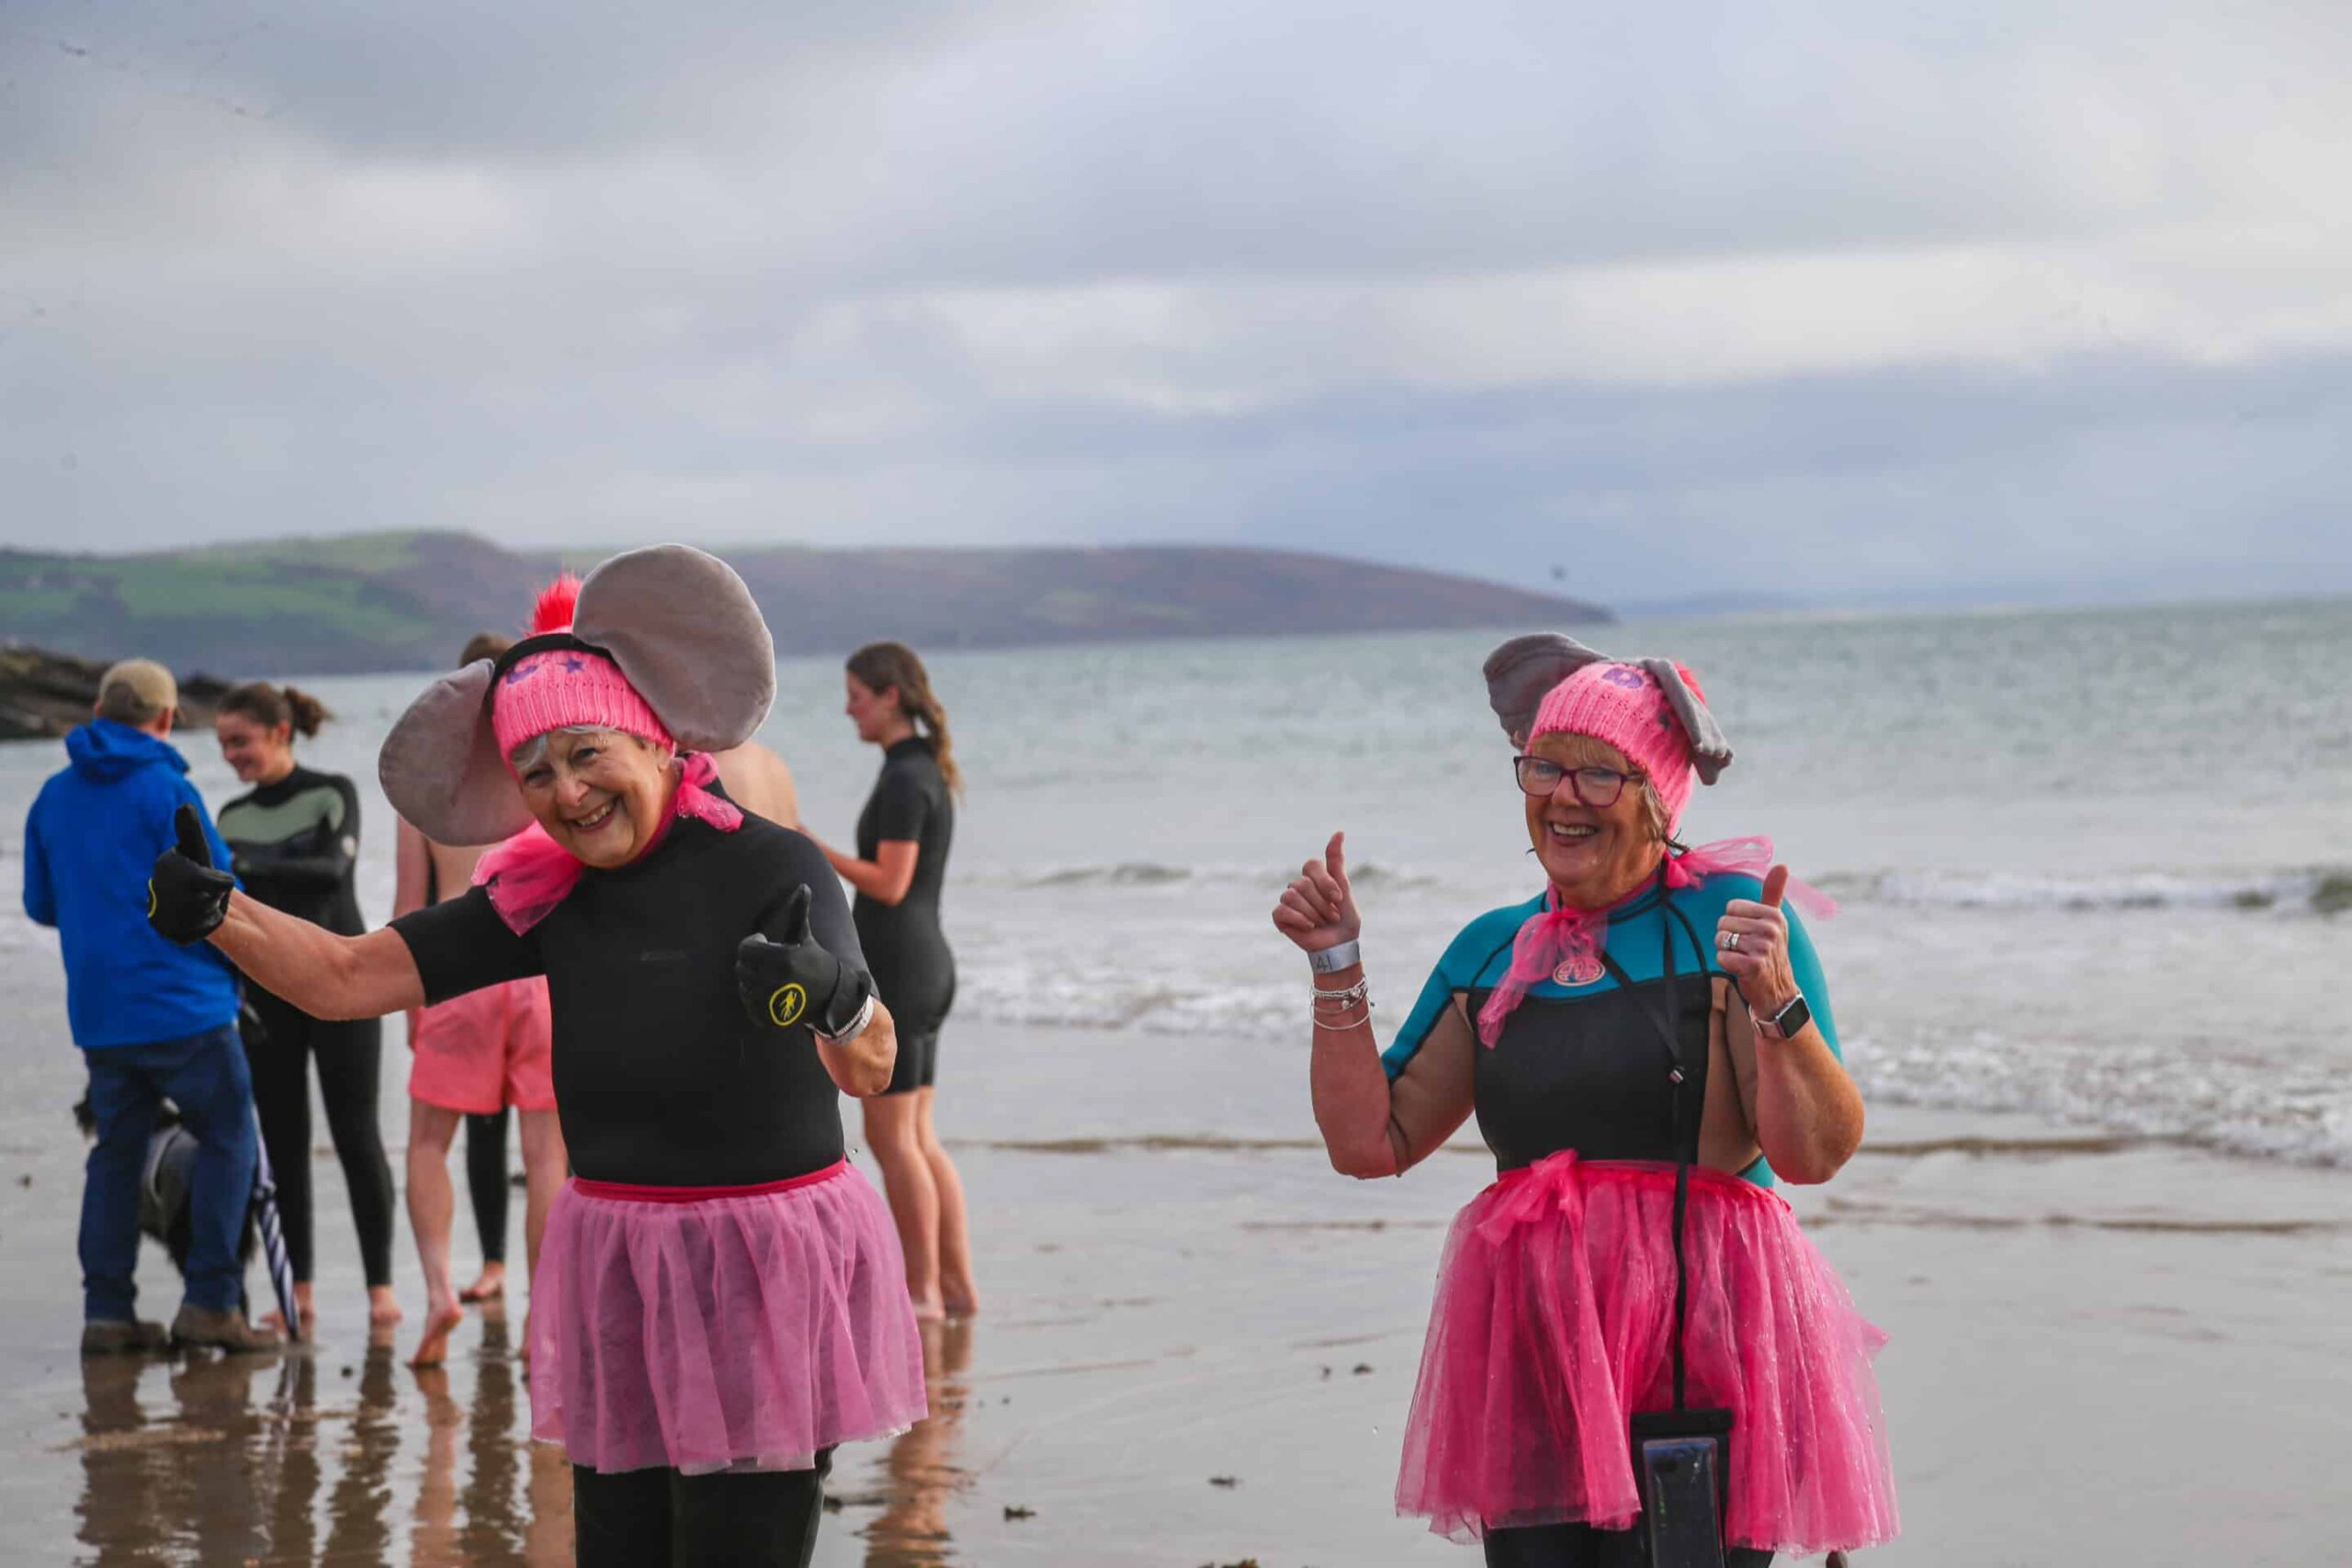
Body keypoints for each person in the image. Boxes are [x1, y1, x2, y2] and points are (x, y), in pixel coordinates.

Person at [144, 547, 925, 1567]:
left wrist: (832, 995)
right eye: (537, 773)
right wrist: (220, 915)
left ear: (651, 737)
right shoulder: (546, 894)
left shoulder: (768, 866)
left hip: (759, 1266)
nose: (568, 792)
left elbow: (870, 1066)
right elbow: (346, 978)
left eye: (587, 752)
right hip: (618, 1262)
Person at [1272, 637, 1897, 1566]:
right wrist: (1334, 966)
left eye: (1600, 775)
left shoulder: (1731, 920)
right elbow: (1371, 1140)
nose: (1564, 795)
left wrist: (1777, 1004)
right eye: (1545, 766)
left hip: (1705, 1338)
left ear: (1658, 797)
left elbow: (1813, 1154)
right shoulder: (1491, 948)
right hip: (1536, 1348)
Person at [24, 658, 280, 1354]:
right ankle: (211, 1301)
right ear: (166, 718)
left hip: (101, 1013)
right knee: (231, 1137)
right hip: (186, 1007)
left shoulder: (51, 796)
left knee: (115, 1154)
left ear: (101, 709)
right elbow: (220, 899)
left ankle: (106, 1313)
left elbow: (39, 905)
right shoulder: (168, 791)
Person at [390, 632, 570, 1367]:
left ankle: (438, 1290)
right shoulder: (546, 766)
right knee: (547, 1156)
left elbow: (410, 904)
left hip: (456, 968)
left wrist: (409, 1009)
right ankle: (539, 1322)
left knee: (428, 1142)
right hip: (541, 973)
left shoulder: (434, 787)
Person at [214, 682, 401, 1331]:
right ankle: (302, 1289)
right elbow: (223, 906)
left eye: (242, 740)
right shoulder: (229, 817)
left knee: (356, 1136)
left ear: (280, 731)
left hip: (347, 979)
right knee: (285, 1141)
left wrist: (246, 868)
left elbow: (330, 873)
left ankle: (381, 1288)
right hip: (266, 993)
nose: (232, 755)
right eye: (223, 745)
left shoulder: (333, 791)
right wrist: (243, 868)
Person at [803, 642, 974, 1320]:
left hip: (903, 964)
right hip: (925, 959)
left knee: (893, 1139)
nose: (849, 708)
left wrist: (809, 846)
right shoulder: (917, 767)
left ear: (890, 696)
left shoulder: (907, 777)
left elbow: (891, 883)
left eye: (856, 695)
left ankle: (924, 1291)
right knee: (918, 1137)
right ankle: (957, 1287)